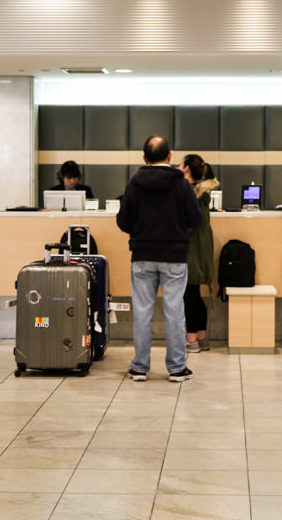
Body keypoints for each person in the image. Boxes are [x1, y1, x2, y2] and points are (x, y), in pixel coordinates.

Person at [116, 136, 201, 381]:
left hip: (142, 256)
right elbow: (195, 219)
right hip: (174, 257)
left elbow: (123, 221)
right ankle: (176, 368)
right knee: (175, 313)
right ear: (170, 155)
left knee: (143, 313)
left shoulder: (134, 183)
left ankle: (140, 367)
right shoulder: (181, 184)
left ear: (144, 158)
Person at [179, 154, 219, 353]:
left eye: (180, 163)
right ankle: (201, 337)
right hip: (198, 248)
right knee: (194, 294)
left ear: (186, 168)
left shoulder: (193, 193)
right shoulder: (200, 193)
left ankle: (192, 339)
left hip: (192, 250)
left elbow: (189, 223)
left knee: (189, 295)